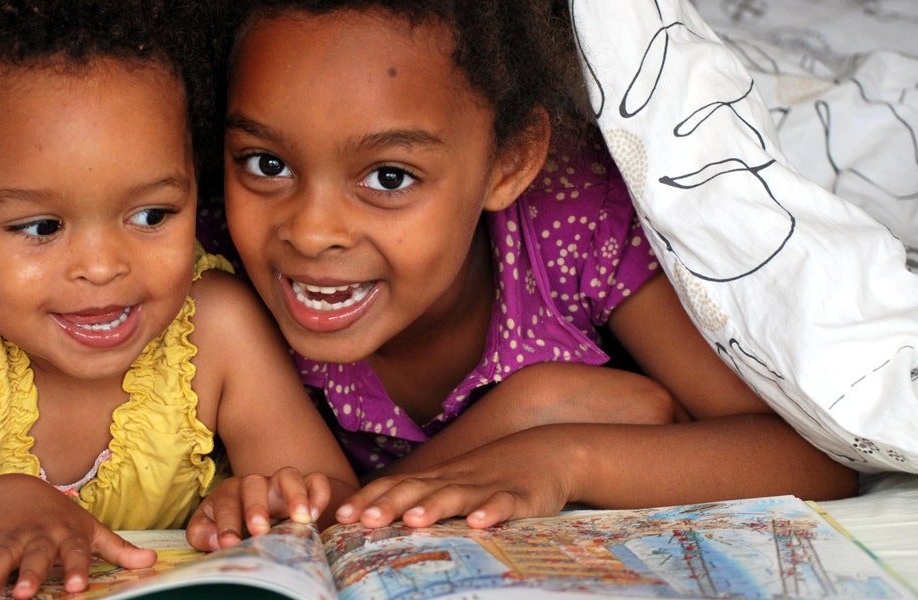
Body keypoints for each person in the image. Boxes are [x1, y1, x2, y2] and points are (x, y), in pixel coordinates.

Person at [216, 0, 858, 532]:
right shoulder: (206, 265)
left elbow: (812, 457)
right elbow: (331, 523)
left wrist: (564, 455)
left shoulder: (572, 219)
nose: (311, 232)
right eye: (265, 164)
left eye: (389, 176)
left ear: (511, 163)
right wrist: (528, 409)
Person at [0, 2, 357, 599]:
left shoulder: (217, 327)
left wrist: (273, 498)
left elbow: (335, 496)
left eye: (152, 215)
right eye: (41, 227)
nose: (101, 267)